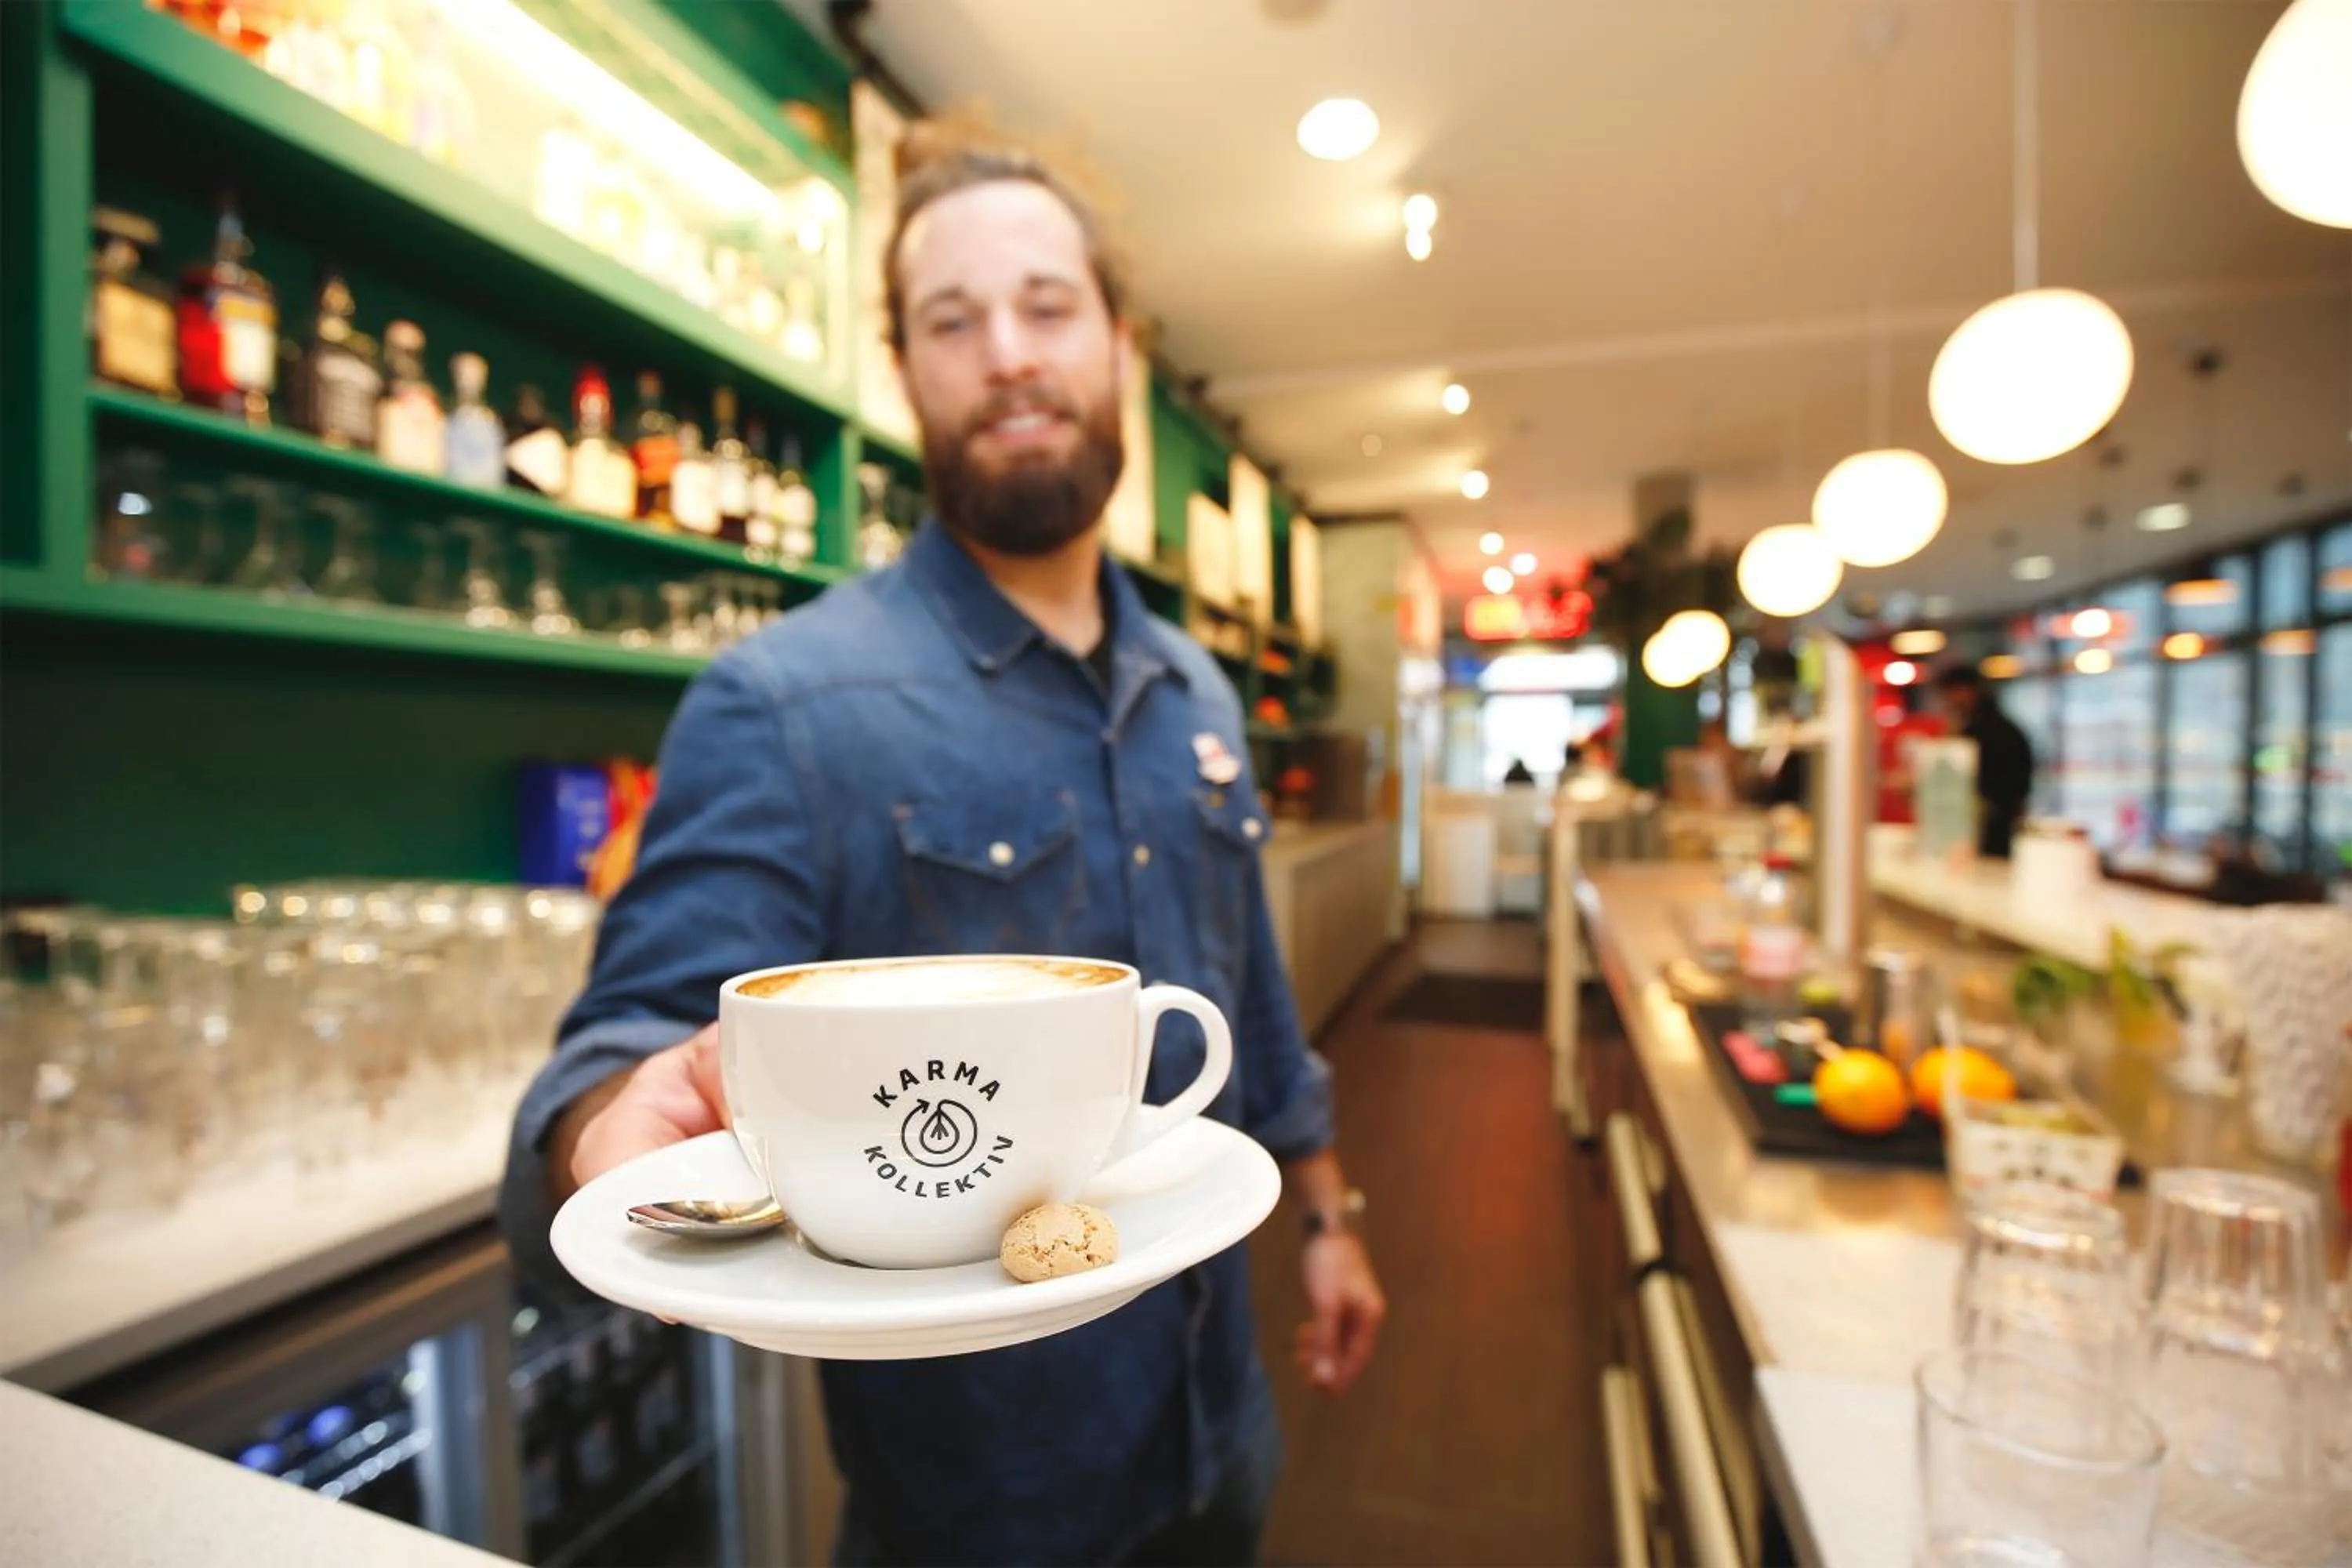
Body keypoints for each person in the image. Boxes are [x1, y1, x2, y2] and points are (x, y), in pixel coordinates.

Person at [496, 132, 1384, 1568]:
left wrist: (1333, 1217)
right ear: (906, 375)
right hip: (977, 1513)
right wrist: (608, 1130)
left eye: (1047, 307)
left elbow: (1252, 1008)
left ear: (1119, 349)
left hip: (1224, 1438)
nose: (1009, 356)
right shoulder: (783, 703)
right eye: (951, 323)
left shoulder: (1202, 695)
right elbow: (637, 1035)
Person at [1932, 665, 2035, 858]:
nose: (1946, 702)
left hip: (1986, 831)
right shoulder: (2008, 728)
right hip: (2006, 825)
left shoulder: (1975, 734)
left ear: (1964, 691)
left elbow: (1961, 786)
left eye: (1948, 695)